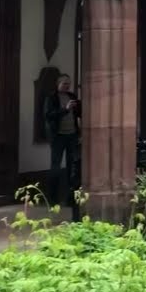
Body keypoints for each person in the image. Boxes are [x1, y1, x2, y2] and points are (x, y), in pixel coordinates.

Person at [43, 74, 81, 206]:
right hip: (58, 136)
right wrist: (65, 109)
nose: (67, 86)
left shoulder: (72, 96)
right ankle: (52, 198)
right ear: (58, 84)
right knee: (56, 166)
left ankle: (70, 198)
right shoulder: (51, 98)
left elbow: (79, 113)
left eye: (68, 84)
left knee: (72, 166)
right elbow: (49, 115)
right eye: (64, 83)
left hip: (72, 135)